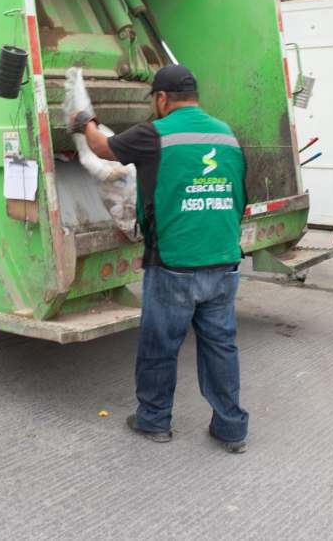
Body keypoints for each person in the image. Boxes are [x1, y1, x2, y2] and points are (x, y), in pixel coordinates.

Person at [75, 65, 250, 454]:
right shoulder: (227, 135)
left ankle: (154, 421)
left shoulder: (156, 133)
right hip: (222, 260)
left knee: (160, 345)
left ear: (161, 99)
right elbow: (241, 194)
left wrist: (86, 121)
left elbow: (103, 150)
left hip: (173, 262)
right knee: (220, 347)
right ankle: (231, 428)